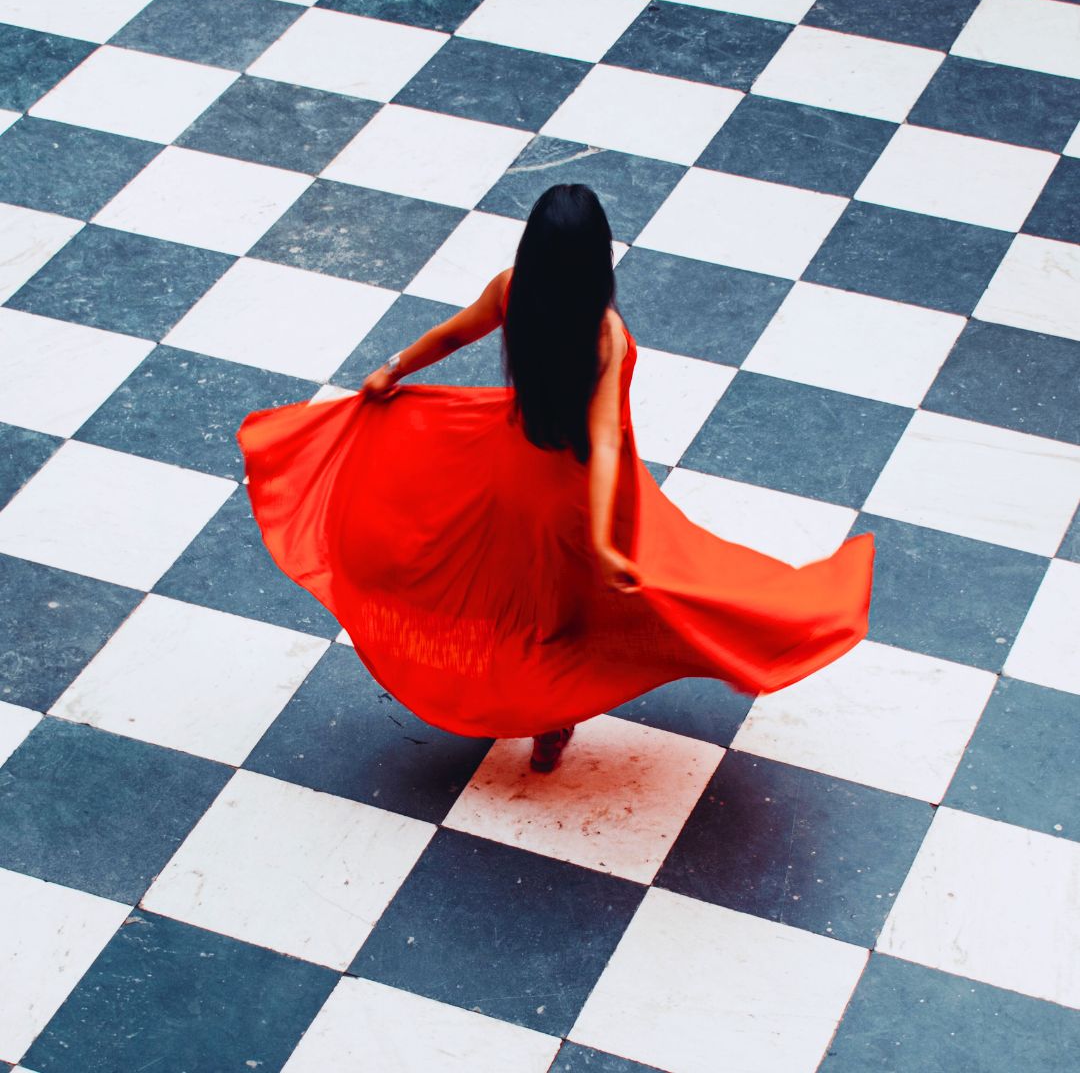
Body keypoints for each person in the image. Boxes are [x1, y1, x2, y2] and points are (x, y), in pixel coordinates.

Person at [237, 184, 874, 774]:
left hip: (511, 466)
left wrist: (392, 369)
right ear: (597, 260)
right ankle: (554, 716)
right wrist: (601, 537)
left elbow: (452, 335)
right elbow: (601, 441)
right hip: (576, 495)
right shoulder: (606, 334)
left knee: (505, 586)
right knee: (628, 599)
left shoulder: (511, 288)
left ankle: (516, 701)